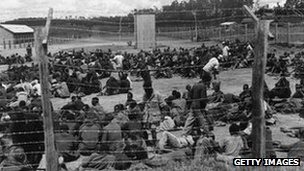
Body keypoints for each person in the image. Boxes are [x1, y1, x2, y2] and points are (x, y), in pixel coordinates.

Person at [142, 81, 166, 145]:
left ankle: (156, 144)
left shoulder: (157, 94)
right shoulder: (145, 95)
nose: (146, 91)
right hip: (148, 117)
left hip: (156, 117)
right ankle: (154, 144)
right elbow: (144, 105)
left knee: (155, 131)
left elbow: (163, 105)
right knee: (151, 132)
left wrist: (163, 115)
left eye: (146, 89)